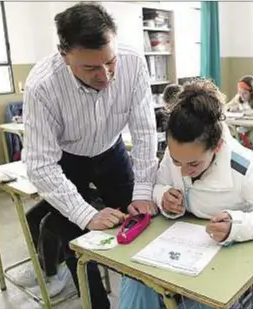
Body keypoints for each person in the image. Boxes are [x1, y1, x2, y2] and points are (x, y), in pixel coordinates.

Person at [22, 3, 159, 309]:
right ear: (64, 55)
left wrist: (144, 190)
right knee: (80, 244)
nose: (106, 74)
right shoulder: (42, 86)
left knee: (142, 223)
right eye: (91, 68)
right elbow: (40, 166)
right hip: (67, 162)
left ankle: (147, 298)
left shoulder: (134, 63)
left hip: (112, 151)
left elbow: (145, 132)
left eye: (110, 62)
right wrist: (87, 215)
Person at [118, 79, 253, 309]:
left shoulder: (245, 168)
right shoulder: (178, 151)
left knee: (201, 299)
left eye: (193, 164)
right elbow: (158, 185)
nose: (182, 170)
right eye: (176, 161)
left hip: (222, 258)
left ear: (218, 148)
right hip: (178, 246)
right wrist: (163, 196)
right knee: (137, 280)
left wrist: (237, 225)